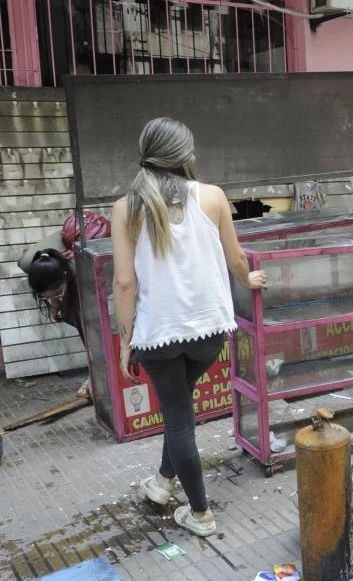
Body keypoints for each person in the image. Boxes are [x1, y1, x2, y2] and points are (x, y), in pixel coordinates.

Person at [112, 117, 267, 536]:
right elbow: (237, 260)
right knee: (181, 412)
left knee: (179, 420)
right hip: (209, 333)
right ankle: (163, 484)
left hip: (158, 337)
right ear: (186, 156)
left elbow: (124, 284)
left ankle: (200, 514)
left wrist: (125, 341)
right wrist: (247, 280)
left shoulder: (127, 208)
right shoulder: (213, 197)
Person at [23, 248, 91, 397]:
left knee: (82, 322)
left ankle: (94, 375)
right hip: (61, 278)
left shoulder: (82, 273)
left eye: (57, 293)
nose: (56, 297)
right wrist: (54, 307)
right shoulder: (35, 268)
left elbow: (93, 340)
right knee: (70, 313)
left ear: (65, 277)